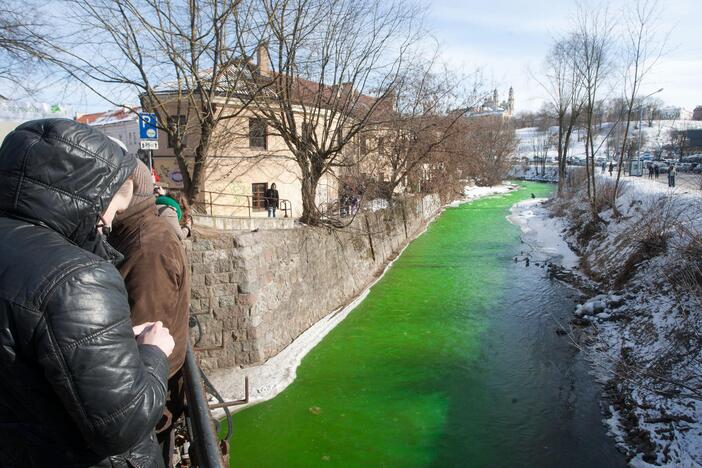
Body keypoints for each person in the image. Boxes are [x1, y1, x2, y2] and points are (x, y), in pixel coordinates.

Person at [0, 119, 174, 467]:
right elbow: (121, 424)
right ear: (88, 196)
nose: (110, 222)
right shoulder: (79, 278)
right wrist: (154, 353)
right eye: (112, 207)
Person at [108, 160, 191, 458]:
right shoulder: (137, 234)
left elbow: (147, 331)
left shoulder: (148, 247)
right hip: (152, 392)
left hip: (149, 399)